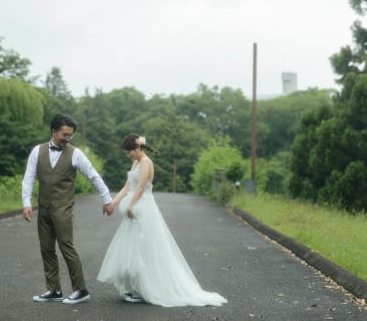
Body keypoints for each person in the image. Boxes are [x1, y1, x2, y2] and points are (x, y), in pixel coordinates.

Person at [97, 134, 227, 307]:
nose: (128, 155)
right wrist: (112, 203)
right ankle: (135, 287)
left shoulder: (146, 163)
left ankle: (145, 288)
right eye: (127, 153)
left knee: (144, 248)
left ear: (137, 148)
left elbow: (142, 187)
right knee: (132, 248)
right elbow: (128, 186)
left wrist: (131, 206)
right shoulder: (135, 162)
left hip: (143, 209)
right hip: (134, 210)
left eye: (129, 152)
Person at [22, 114, 113, 304]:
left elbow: (93, 176)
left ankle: (81, 290)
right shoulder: (37, 151)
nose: (67, 138)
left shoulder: (75, 153)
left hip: (63, 208)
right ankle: (53, 290)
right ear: (53, 132)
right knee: (46, 249)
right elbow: (29, 177)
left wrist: (106, 198)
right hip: (44, 208)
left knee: (66, 247)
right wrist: (26, 203)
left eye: (70, 135)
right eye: (64, 134)